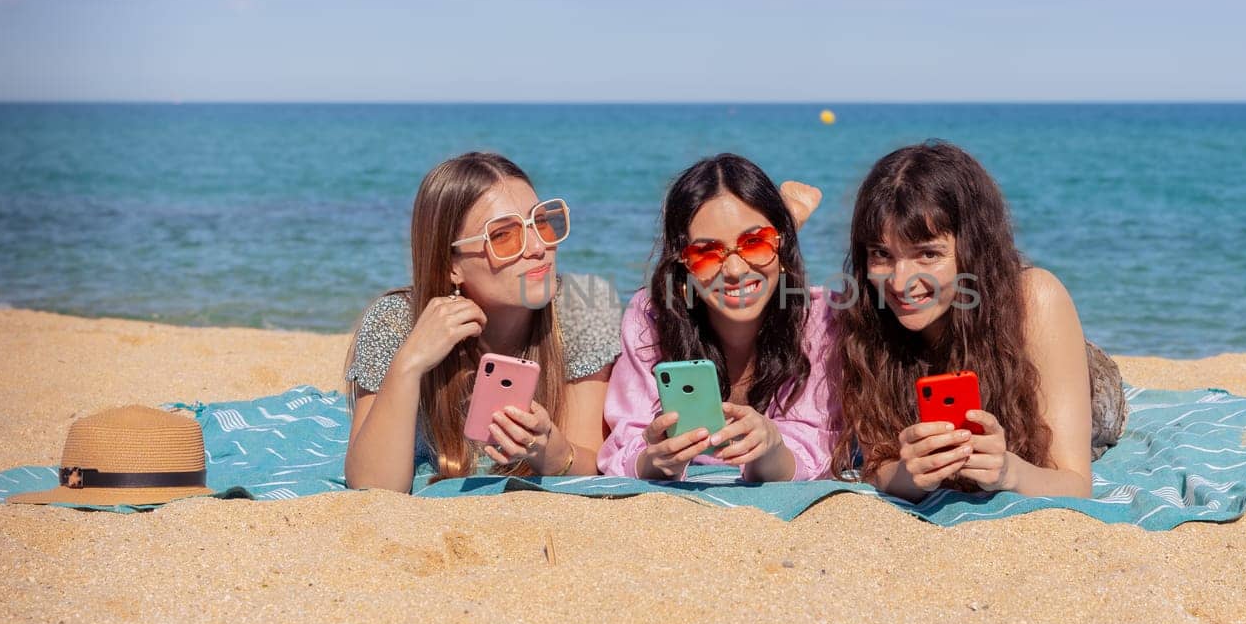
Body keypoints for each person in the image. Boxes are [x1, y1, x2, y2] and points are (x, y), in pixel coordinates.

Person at [834, 141, 1126, 501]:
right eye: (882, 254)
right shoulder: (866, 314)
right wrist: (911, 475)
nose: (899, 281)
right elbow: (879, 467)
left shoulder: (1034, 298)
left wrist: (1008, 471)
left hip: (1085, 381)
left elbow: (1075, 484)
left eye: (928, 254)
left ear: (973, 249)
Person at [344, 152, 621, 491]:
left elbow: (594, 461)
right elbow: (372, 487)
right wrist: (409, 364)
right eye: (504, 235)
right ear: (451, 265)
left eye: (542, 222)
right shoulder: (396, 321)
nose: (538, 247)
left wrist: (551, 452)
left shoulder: (580, 311)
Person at [598, 156, 839, 482]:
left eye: (755, 242)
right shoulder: (652, 315)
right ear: (683, 266)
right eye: (706, 252)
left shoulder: (820, 318)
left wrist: (769, 449)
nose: (735, 269)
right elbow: (626, 445)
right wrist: (654, 462)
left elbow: (818, 450)